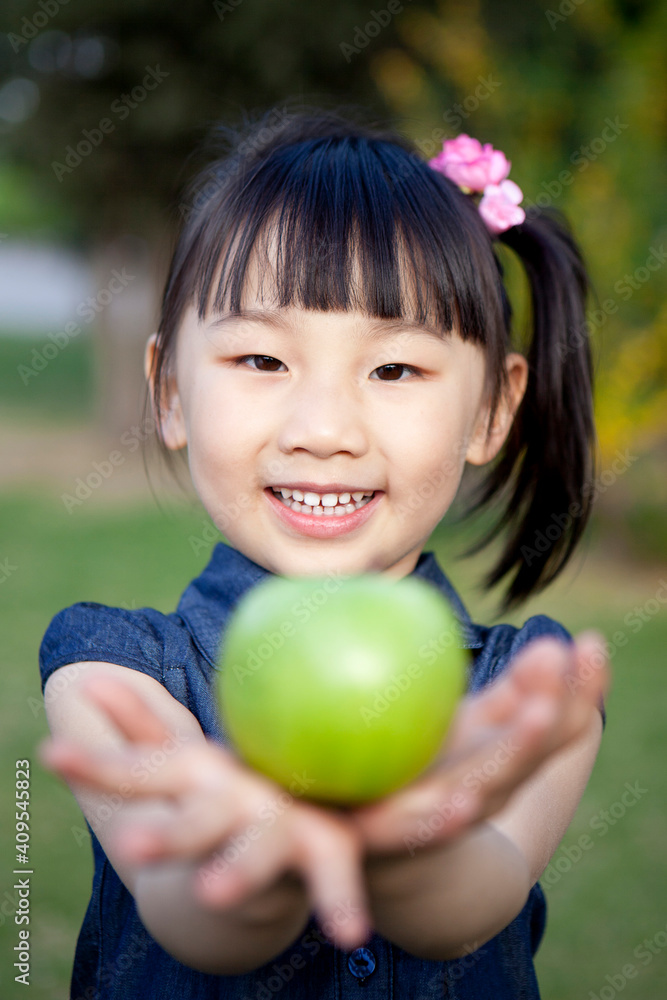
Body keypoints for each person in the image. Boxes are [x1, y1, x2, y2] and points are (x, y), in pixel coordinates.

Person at [38, 105, 609, 999]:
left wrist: (406, 838)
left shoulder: (529, 694)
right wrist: (258, 856)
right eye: (262, 360)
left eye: (394, 370)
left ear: (492, 410)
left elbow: (466, 908)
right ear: (171, 391)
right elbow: (195, 918)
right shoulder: (117, 677)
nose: (323, 431)